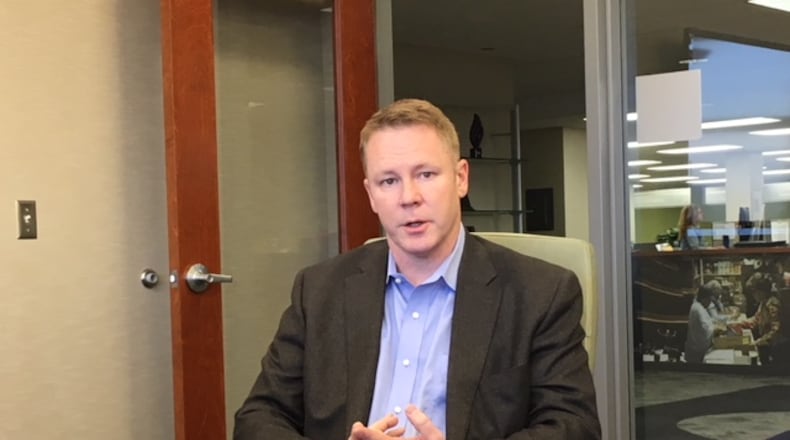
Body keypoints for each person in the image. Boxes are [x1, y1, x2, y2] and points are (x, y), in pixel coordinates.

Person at [233, 98, 600, 439]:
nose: (409, 197)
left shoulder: (541, 292)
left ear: (460, 178)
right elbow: (258, 417)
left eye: (425, 174)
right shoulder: (319, 290)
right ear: (371, 195)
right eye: (388, 181)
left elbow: (573, 426)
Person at [684, 280, 727, 363]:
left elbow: (708, 323)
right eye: (709, 300)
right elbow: (706, 330)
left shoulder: (698, 306)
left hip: (696, 348)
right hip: (696, 350)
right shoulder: (698, 309)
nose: (710, 303)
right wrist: (716, 328)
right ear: (704, 299)